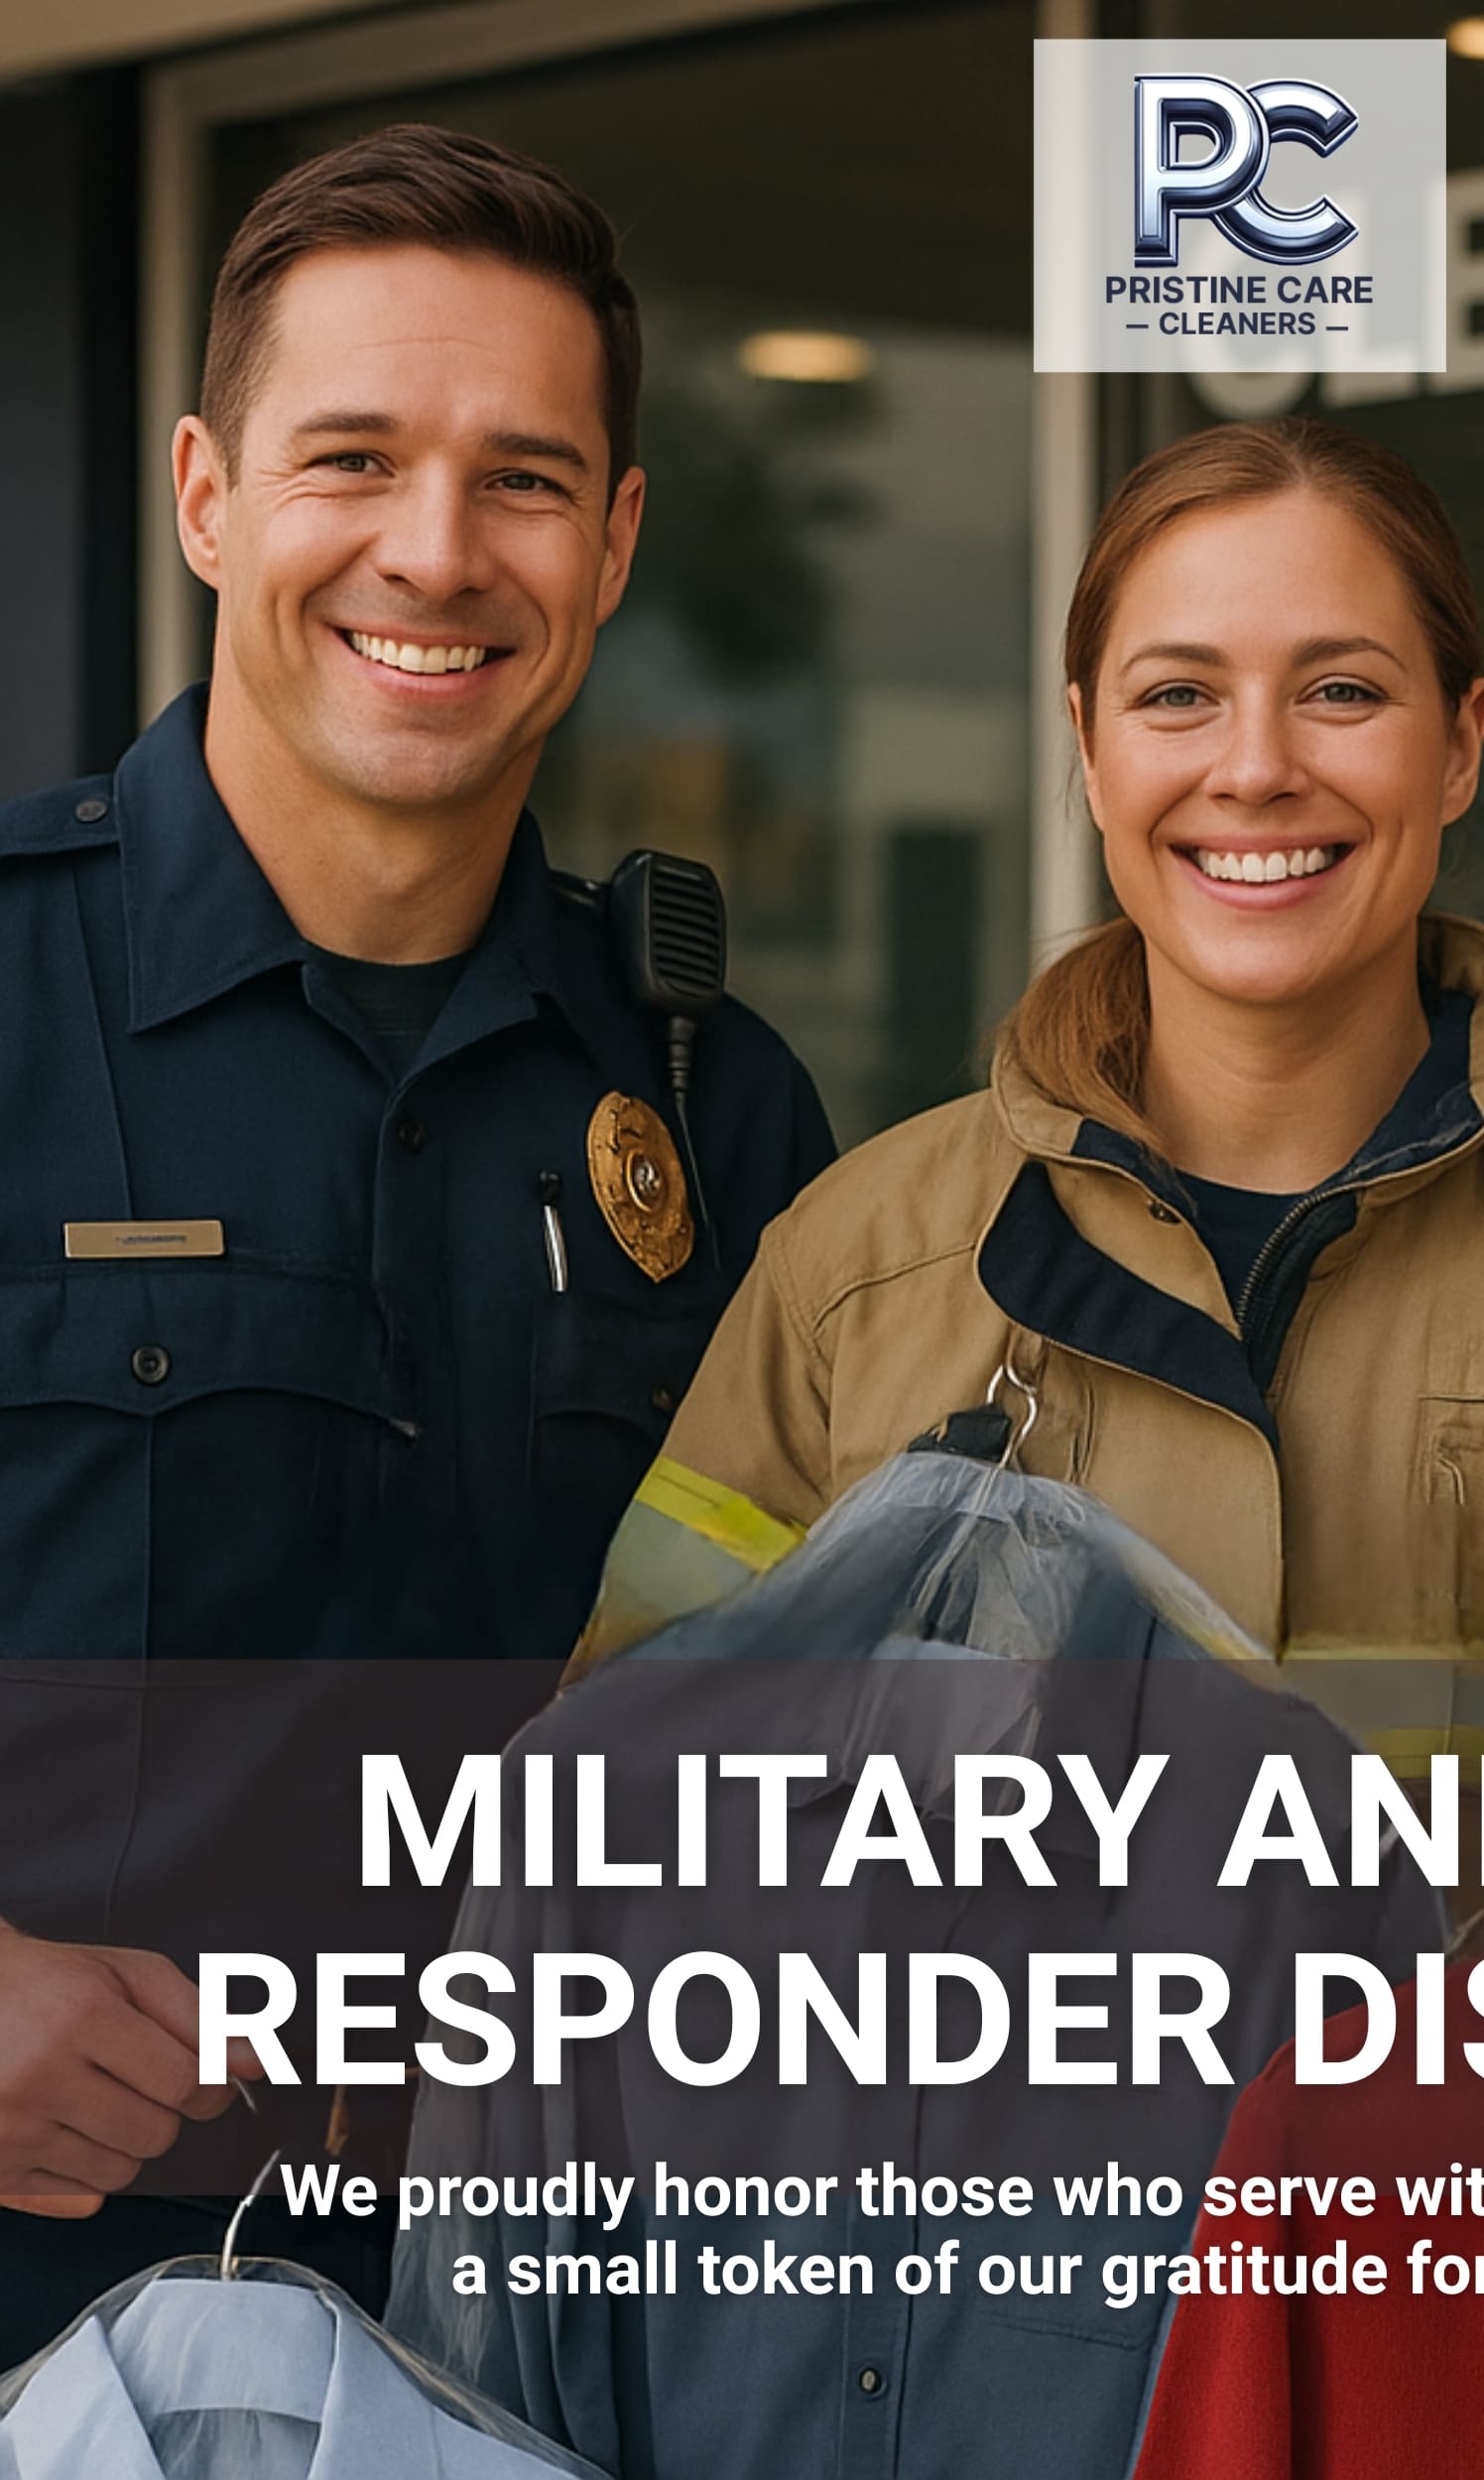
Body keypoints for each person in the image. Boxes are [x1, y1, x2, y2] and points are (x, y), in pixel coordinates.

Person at [576, 415, 1484, 1862]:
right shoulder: (852, 1275)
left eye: (1343, 692)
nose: (1255, 769)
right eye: (1178, 694)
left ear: (1463, 744)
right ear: (1090, 751)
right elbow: (623, 1846)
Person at [0, 126, 831, 2353]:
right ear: (202, 494)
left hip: (552, 2357)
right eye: (350, 457)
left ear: (620, 535)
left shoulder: (711, 1107)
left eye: (526, 477)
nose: (436, 553)